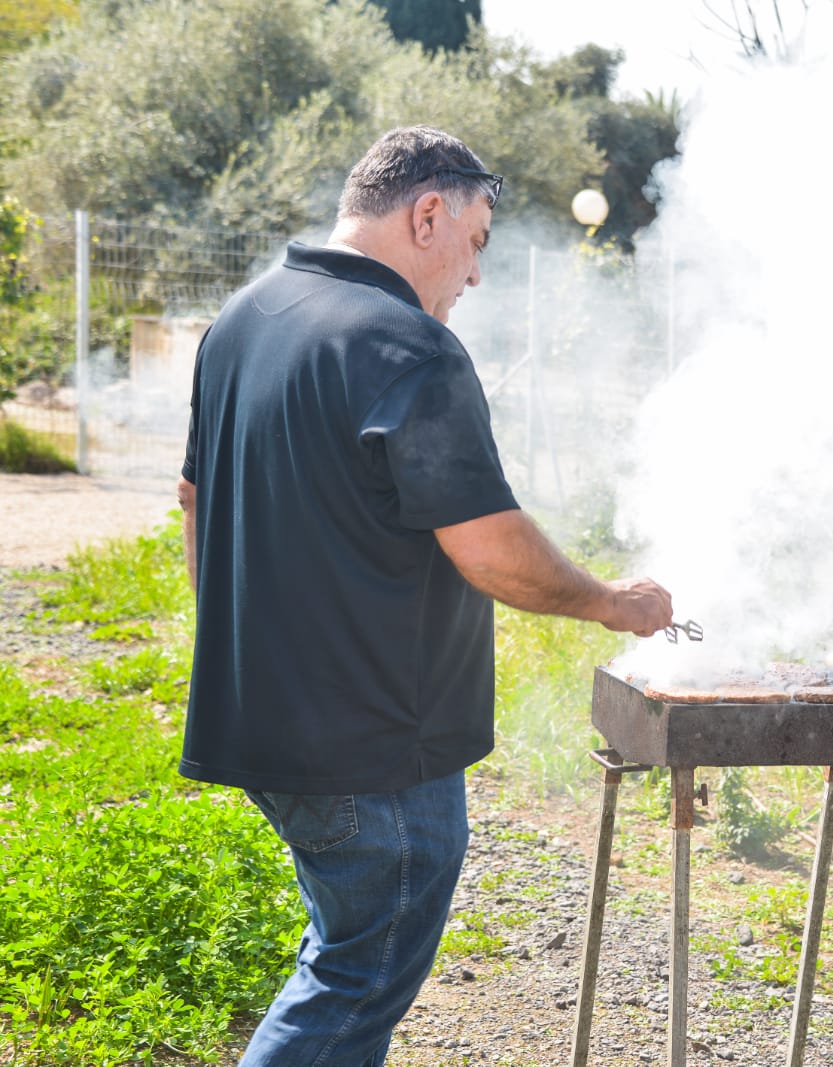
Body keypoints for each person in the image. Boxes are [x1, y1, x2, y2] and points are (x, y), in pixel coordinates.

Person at [176, 125, 672, 1066]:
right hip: (375, 752)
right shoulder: (410, 347)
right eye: (476, 243)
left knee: (343, 950)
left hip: (261, 723)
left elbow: (194, 496)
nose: (475, 275)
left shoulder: (241, 318)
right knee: (353, 984)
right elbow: (490, 548)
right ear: (428, 213)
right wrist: (612, 602)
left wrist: (236, 642)